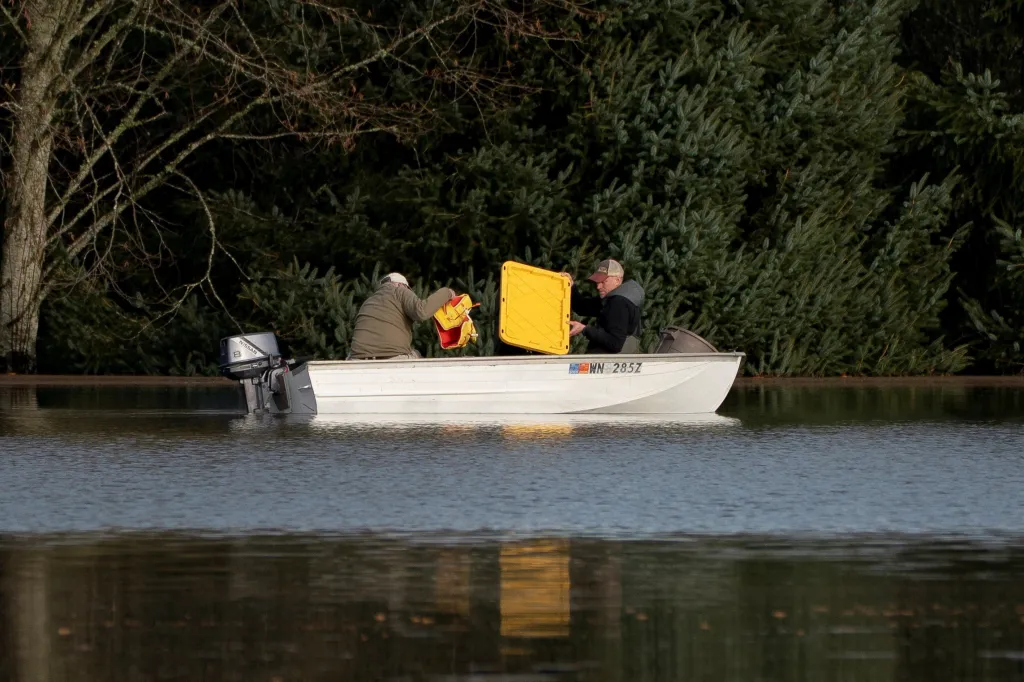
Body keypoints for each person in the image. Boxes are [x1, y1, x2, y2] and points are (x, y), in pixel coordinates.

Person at [348, 273, 456, 360]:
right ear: (401, 284)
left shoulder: (368, 301)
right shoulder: (400, 291)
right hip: (392, 357)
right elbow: (422, 311)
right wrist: (447, 293)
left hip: (357, 358)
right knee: (417, 356)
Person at [568, 259, 645, 354]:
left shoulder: (619, 303)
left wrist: (585, 329)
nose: (598, 286)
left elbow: (615, 343)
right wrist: (571, 286)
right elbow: (581, 307)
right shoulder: (611, 299)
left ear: (617, 280)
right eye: (597, 282)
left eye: (603, 282)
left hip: (610, 363)